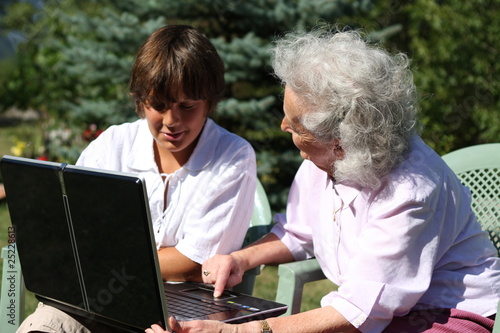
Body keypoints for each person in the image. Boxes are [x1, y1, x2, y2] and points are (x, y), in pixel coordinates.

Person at [146, 29, 500, 333]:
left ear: (342, 141)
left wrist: (253, 328)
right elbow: (300, 232)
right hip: (379, 313)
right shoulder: (320, 159)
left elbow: (362, 310)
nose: (284, 127)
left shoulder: (410, 190)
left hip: (444, 313)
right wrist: (241, 259)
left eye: (296, 125)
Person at [17, 25, 256, 333]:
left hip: (182, 309)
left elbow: (194, 263)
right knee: (44, 326)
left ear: (209, 103)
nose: (172, 121)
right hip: (97, 296)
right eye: (159, 105)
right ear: (141, 100)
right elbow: (73, 230)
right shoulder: (113, 145)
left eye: (187, 106)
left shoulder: (233, 156)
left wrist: (101, 260)